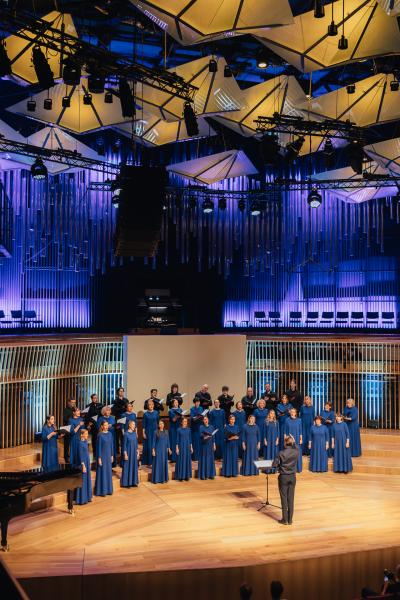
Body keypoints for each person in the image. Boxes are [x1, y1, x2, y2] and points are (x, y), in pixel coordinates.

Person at [272, 434, 299, 525]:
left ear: (285, 443)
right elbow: (297, 446)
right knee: (291, 498)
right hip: (292, 477)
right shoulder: (296, 451)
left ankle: (285, 520)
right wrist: (293, 440)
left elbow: (274, 465)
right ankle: (290, 520)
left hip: (283, 477)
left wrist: (278, 465)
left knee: (284, 498)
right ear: (292, 443)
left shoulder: (281, 453)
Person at [94, 421, 113, 496]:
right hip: (102, 456)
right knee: (102, 473)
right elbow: (98, 447)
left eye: (107, 425)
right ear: (102, 426)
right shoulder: (100, 435)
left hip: (108, 455)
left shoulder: (110, 434)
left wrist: (112, 455)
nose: (106, 426)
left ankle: (108, 490)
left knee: (108, 472)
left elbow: (111, 445)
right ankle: (102, 491)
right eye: (105, 425)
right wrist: (99, 458)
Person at [75, 429, 92, 505]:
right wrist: (83, 465)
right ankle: (81, 499)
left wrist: (89, 462)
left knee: (87, 479)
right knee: (83, 480)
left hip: (87, 462)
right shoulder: (80, 443)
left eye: (87, 434)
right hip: (83, 464)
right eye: (86, 434)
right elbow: (80, 455)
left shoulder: (85, 442)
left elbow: (87, 453)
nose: (87, 435)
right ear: (81, 435)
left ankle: (87, 497)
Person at [120, 419, 139, 488]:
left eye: (134, 425)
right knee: (127, 466)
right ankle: (126, 483)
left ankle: (133, 482)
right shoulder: (126, 434)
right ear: (129, 425)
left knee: (134, 466)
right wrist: (125, 454)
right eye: (133, 424)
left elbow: (136, 444)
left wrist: (137, 452)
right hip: (128, 452)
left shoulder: (134, 434)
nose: (134, 426)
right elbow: (124, 445)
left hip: (134, 452)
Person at [284, 408, 303, 472]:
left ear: (296, 413)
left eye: (294, 412)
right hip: (289, 439)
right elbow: (285, 430)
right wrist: (285, 439)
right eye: (291, 412)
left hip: (297, 438)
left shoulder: (299, 420)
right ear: (290, 413)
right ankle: (290, 468)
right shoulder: (287, 420)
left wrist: (301, 439)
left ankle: (298, 468)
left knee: (297, 452)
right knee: (289, 453)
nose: (292, 413)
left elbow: (300, 430)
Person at [198, 415, 216, 480]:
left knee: (210, 459)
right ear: (203, 421)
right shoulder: (201, 427)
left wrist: (214, 444)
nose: (205, 420)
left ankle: (210, 475)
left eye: (206, 419)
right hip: (204, 445)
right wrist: (205, 437)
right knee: (204, 459)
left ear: (208, 420)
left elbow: (213, 436)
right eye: (204, 419)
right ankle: (204, 475)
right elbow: (200, 435)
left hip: (210, 445)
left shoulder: (211, 427)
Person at [112, 386, 129, 455]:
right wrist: (122, 408)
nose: (121, 392)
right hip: (118, 419)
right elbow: (114, 411)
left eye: (122, 391)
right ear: (118, 392)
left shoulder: (126, 400)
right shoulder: (115, 400)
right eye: (120, 391)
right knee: (118, 435)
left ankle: (124, 450)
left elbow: (127, 409)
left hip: (125, 419)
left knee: (124, 435)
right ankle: (117, 451)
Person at [85, 393, 103, 458]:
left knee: (101, 438)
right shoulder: (88, 406)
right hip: (93, 424)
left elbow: (102, 414)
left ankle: (101, 453)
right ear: (92, 399)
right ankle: (95, 454)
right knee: (94, 439)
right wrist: (89, 423)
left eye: (96, 398)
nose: (96, 399)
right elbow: (87, 416)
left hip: (100, 424)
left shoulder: (100, 405)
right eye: (94, 398)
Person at [142, 399, 159, 466]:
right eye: (150, 405)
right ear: (147, 406)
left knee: (155, 445)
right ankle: (149, 461)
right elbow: (144, 424)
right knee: (149, 446)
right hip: (148, 431)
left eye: (152, 404)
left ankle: (155, 460)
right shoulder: (145, 414)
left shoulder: (156, 413)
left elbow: (158, 422)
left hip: (155, 431)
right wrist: (143, 433)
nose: (151, 406)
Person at [62, 397, 76, 463]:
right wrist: (72, 416)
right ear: (69, 402)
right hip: (67, 429)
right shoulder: (66, 410)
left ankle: (73, 456)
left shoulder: (74, 409)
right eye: (72, 402)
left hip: (73, 429)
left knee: (73, 443)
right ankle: (66, 457)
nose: (73, 404)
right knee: (67, 444)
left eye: (74, 402)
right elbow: (65, 419)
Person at [190, 397, 203, 461]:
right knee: (195, 442)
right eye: (196, 402)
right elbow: (193, 418)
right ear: (194, 403)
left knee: (200, 442)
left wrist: (202, 416)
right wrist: (198, 416)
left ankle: (200, 456)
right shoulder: (192, 409)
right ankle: (195, 457)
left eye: (198, 402)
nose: (197, 403)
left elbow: (202, 416)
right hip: (194, 427)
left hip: (200, 426)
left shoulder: (201, 408)